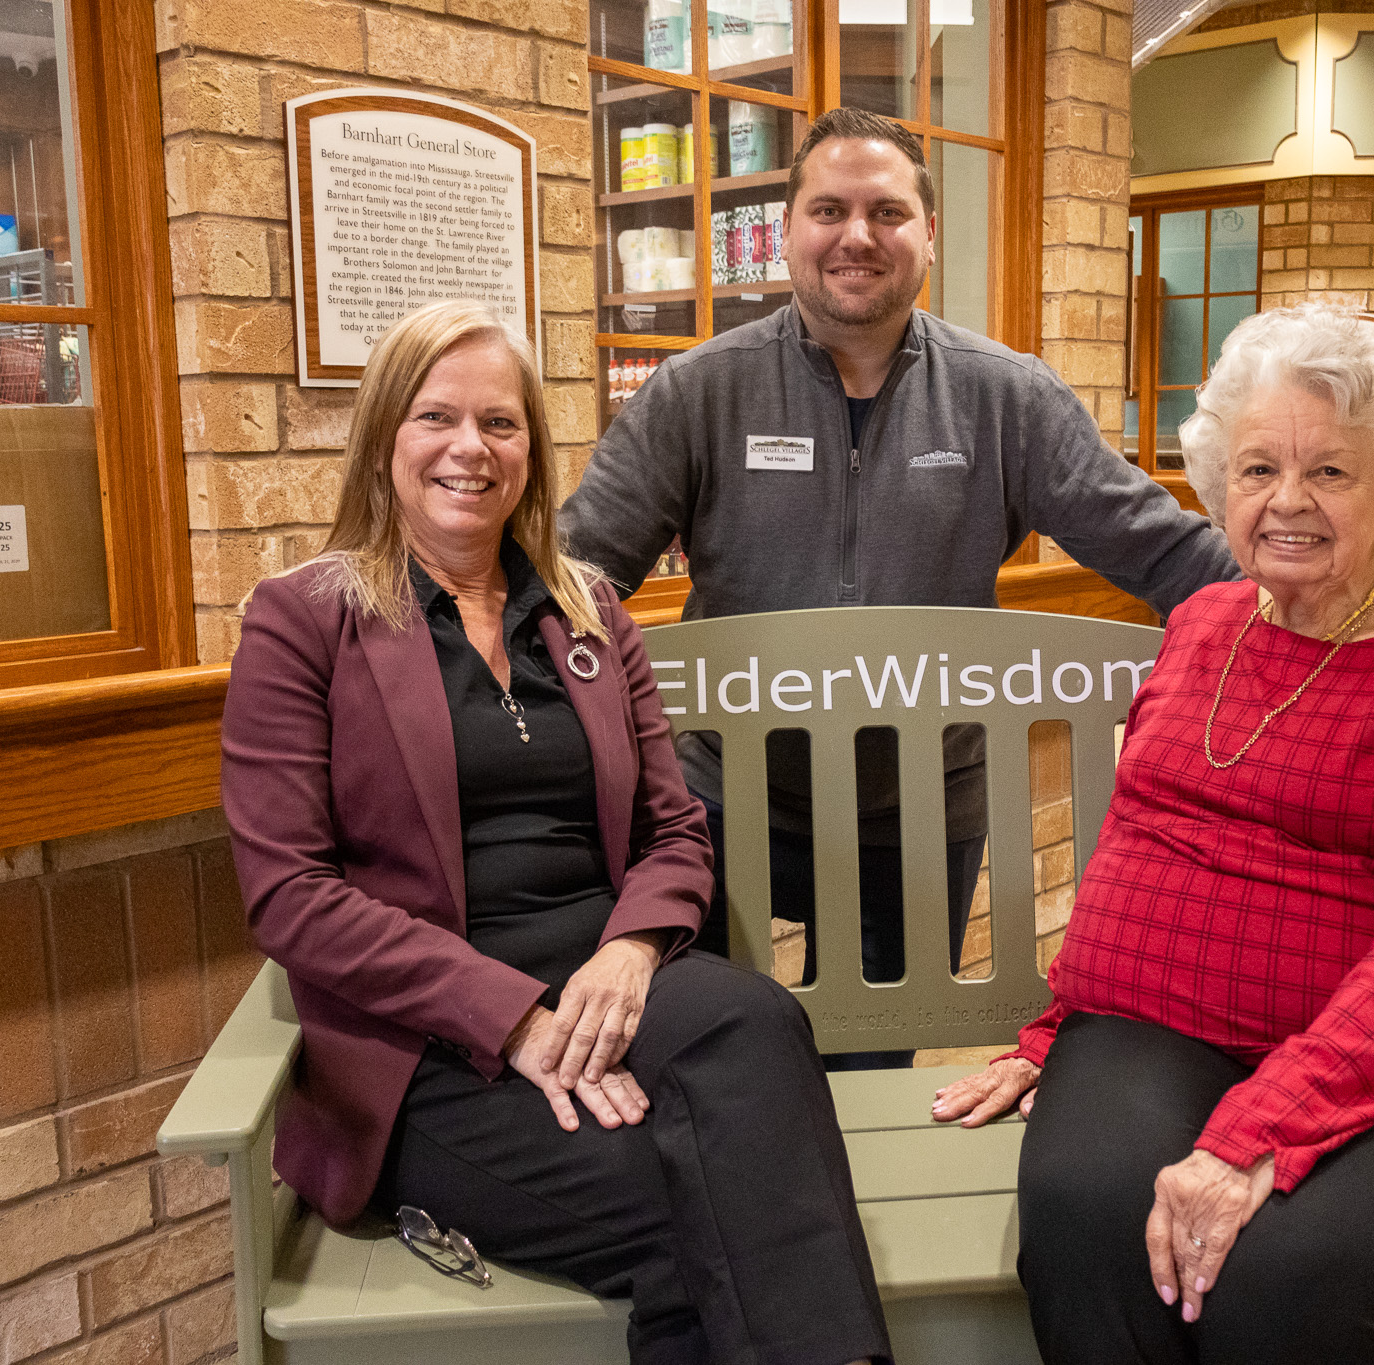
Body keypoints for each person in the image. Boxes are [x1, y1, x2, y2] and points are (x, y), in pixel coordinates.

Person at [221, 299, 889, 1365]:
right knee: (699, 1204)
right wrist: (512, 1019)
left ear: (532, 448)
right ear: (385, 436)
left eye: (501, 423)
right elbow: (288, 897)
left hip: (610, 989)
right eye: (437, 417)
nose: (469, 449)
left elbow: (674, 829)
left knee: (756, 1021)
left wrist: (628, 954)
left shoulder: (586, 612)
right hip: (427, 1049)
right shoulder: (304, 621)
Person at [930, 304, 1374, 1364]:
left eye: (1329, 472)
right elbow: (1139, 842)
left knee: (1291, 1283)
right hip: (1165, 1022)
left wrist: (1253, 1133)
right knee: (1085, 1216)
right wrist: (1060, 1027)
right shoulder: (1198, 627)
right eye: (1256, 468)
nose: (1286, 502)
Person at [560, 106, 1237, 1018]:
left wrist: (1347, 617)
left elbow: (1168, 553)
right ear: (790, 231)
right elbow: (574, 577)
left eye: (885, 212)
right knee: (714, 1056)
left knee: (881, 1054)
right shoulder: (698, 393)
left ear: (926, 233)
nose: (856, 237)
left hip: (924, 810)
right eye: (828, 210)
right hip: (721, 807)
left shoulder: (1008, 398)